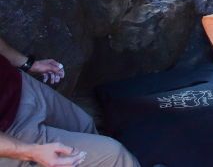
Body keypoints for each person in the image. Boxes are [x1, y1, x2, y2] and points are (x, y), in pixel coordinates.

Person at [0, 36, 139, 167]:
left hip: (19, 86)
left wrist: (27, 64)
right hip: (12, 134)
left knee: (85, 126)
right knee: (116, 158)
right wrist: (30, 152)